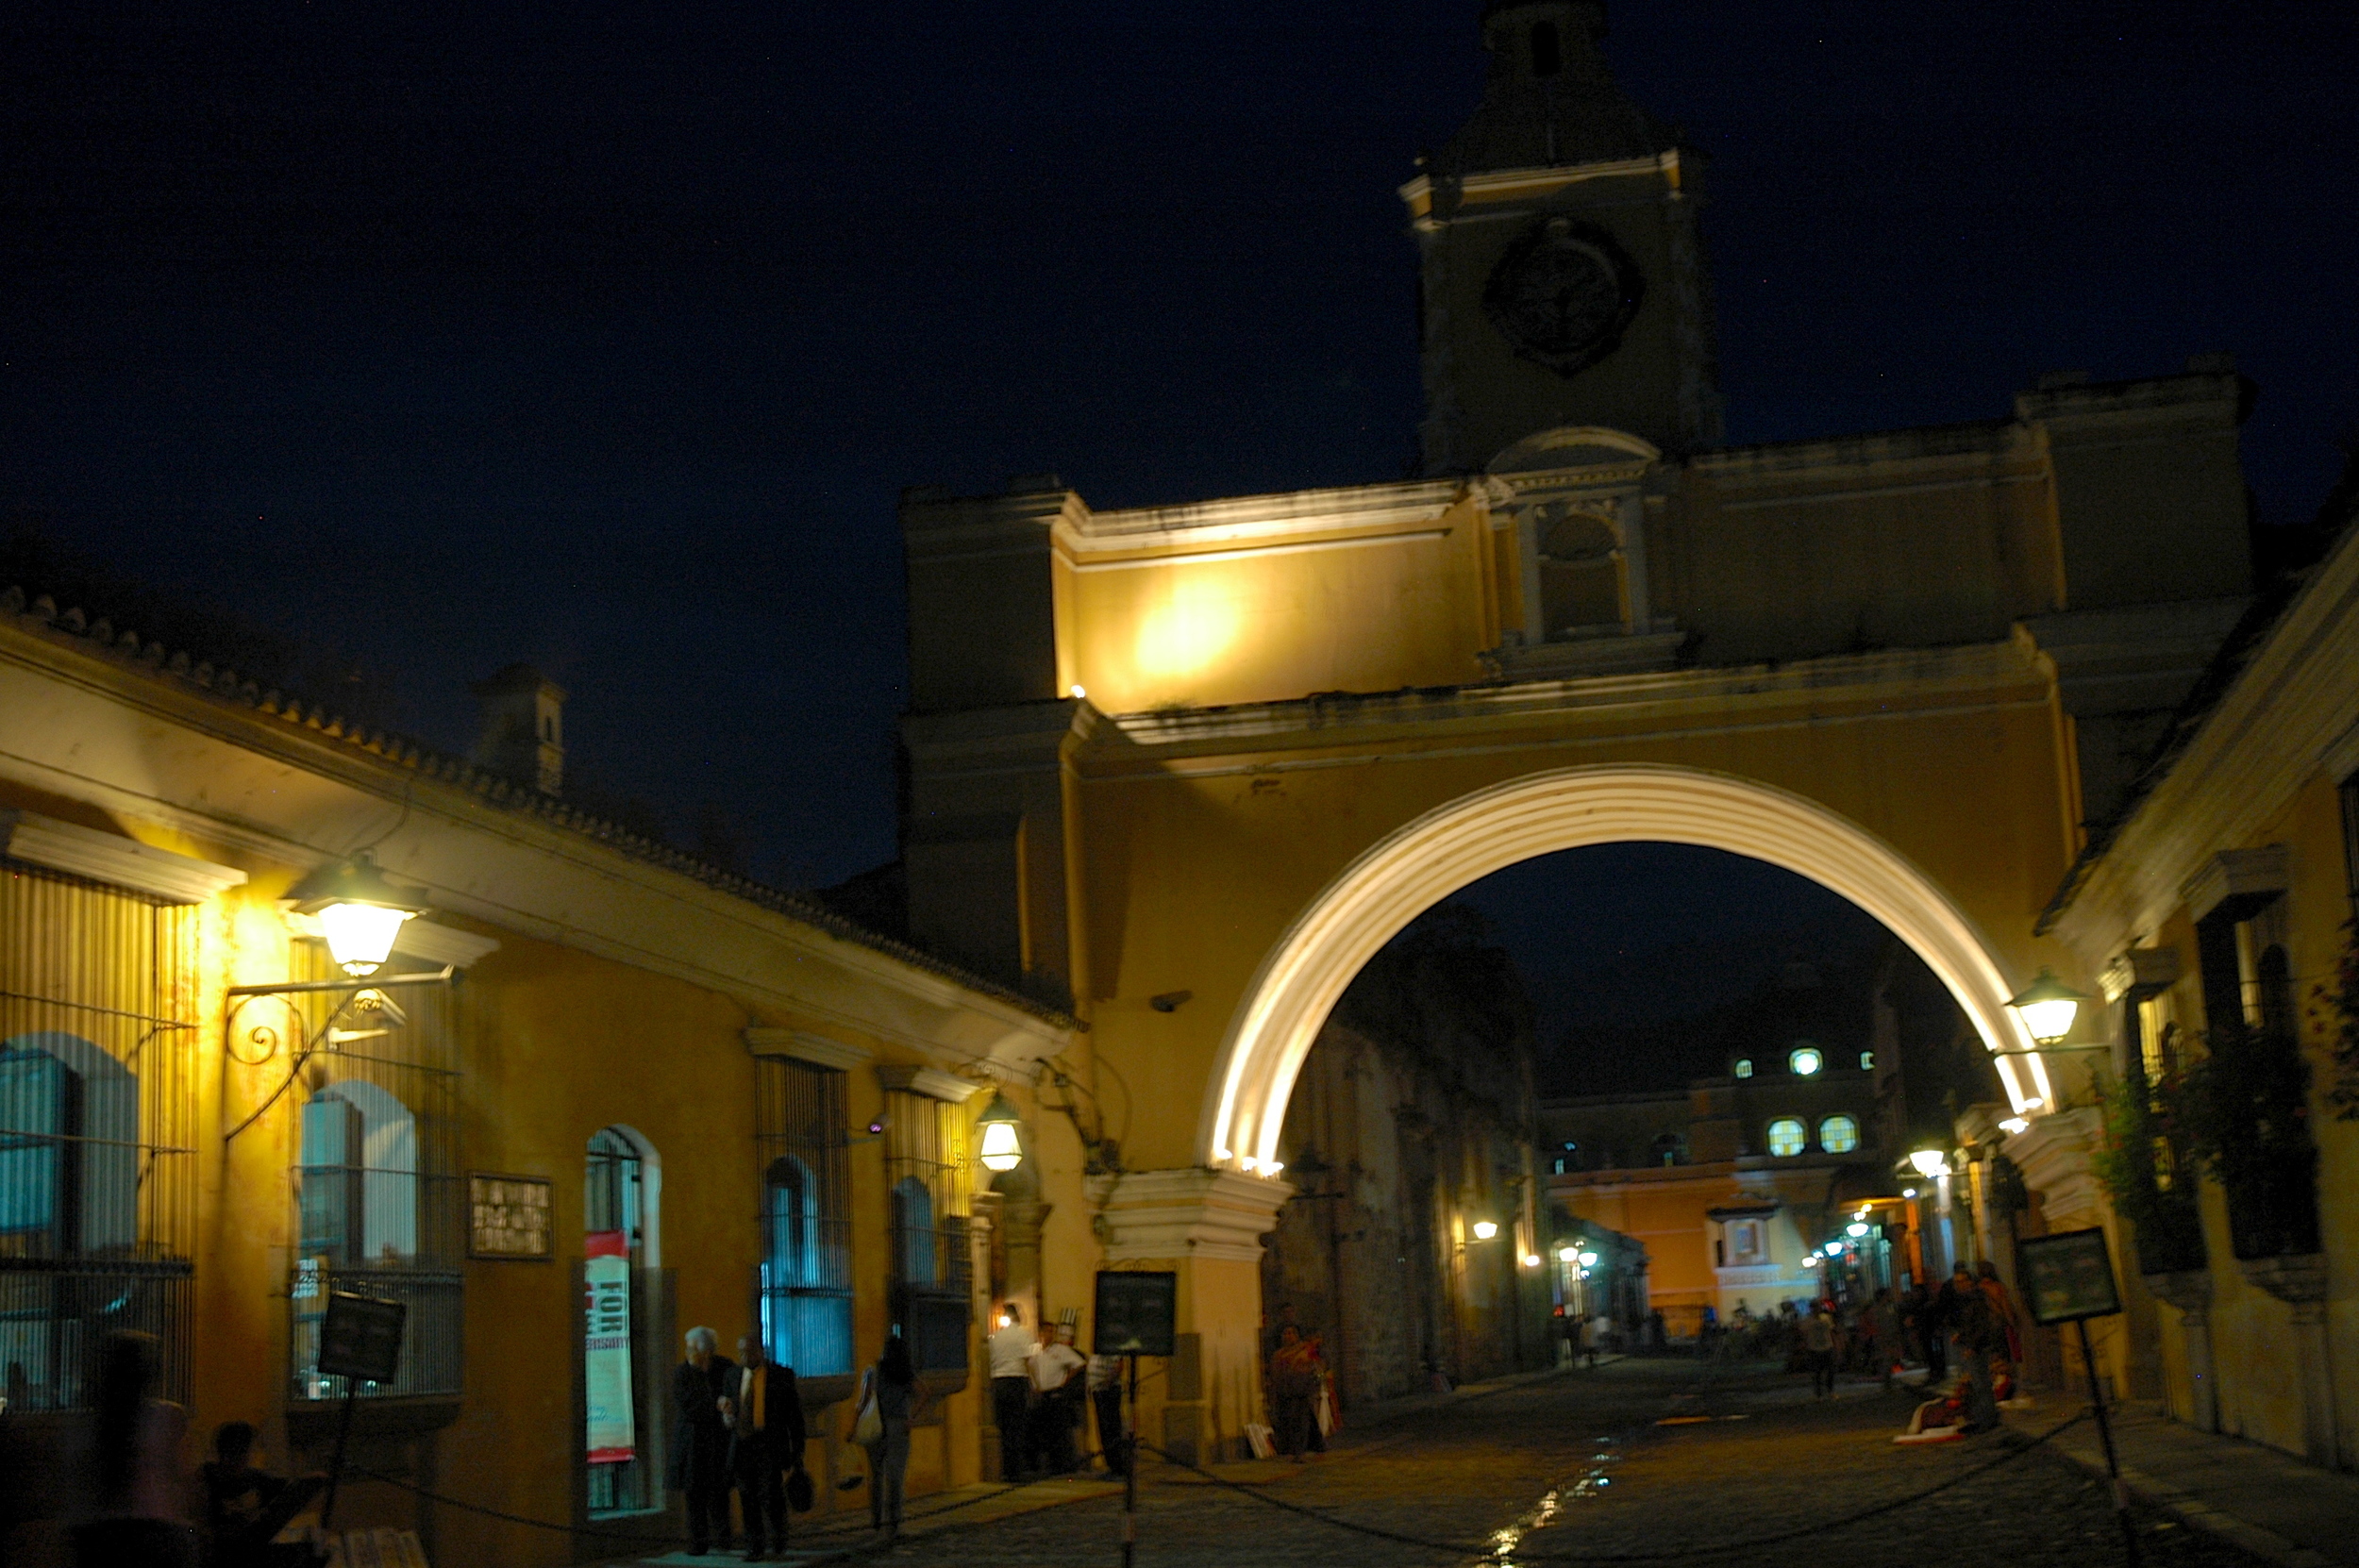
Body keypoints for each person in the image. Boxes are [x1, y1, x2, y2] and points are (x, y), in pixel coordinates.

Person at [73, 1331, 192, 1568]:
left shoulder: (86, 1425)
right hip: (156, 1531)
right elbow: (183, 1479)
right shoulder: (168, 1417)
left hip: (97, 1534)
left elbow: (78, 1487)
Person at [197, 1422, 325, 1568]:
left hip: (251, 1548)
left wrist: (310, 1482)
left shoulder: (253, 1478)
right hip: (223, 1554)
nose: (251, 1456)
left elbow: (286, 1489)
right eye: (248, 1451)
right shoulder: (205, 1479)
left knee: (309, 1551)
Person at [729, 1335, 807, 1562]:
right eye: (741, 1352)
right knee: (747, 1496)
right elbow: (729, 1410)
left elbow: (794, 1416)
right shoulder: (733, 1376)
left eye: (749, 1351)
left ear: (760, 1351)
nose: (745, 1356)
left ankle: (778, 1540)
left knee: (771, 1494)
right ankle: (754, 1545)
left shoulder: (780, 1376)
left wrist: (797, 1450)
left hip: (769, 1443)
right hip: (743, 1444)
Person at [669, 1326, 738, 1555]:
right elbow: (688, 1405)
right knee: (695, 1493)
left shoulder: (725, 1367)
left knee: (719, 1492)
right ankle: (698, 1541)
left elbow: (734, 1394)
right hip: (693, 1443)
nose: (689, 1351)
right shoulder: (683, 1373)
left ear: (707, 1350)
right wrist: (716, 1406)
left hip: (718, 1440)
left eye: (693, 1347)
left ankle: (723, 1538)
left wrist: (727, 1406)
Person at [856, 1335, 929, 1538]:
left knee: (876, 1475)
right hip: (898, 1425)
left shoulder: (873, 1372)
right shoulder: (905, 1374)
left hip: (875, 1426)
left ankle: (876, 1519)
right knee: (895, 1476)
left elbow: (863, 1401)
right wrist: (911, 1417)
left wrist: (854, 1426)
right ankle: (894, 1520)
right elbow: (924, 1393)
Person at [1942, 1263, 2002, 1433]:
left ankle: (1987, 1419)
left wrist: (1973, 1346)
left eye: (1962, 1282)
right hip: (1970, 1345)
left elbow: (1981, 1325)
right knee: (1976, 1384)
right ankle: (1981, 1418)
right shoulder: (1965, 1300)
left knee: (1981, 1384)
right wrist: (1960, 1335)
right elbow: (1968, 1324)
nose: (1959, 1285)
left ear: (1970, 1282)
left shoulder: (1976, 1299)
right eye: (1957, 1282)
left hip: (1977, 1347)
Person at [987, 1304, 1039, 1481]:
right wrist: (1034, 1384)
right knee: (1017, 1426)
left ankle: (1006, 1469)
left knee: (1004, 1426)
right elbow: (1031, 1360)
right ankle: (1016, 1470)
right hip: (1017, 1380)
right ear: (1018, 1316)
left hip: (998, 1382)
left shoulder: (995, 1337)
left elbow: (992, 1360)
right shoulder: (1025, 1335)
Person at [1029, 1324, 1086, 1475]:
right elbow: (1029, 1366)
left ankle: (1064, 1465)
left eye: (1052, 1332)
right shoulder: (1035, 1350)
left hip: (1056, 1394)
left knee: (1060, 1431)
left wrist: (1065, 1380)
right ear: (1040, 1333)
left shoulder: (1061, 1350)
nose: (1050, 1334)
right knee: (1044, 1431)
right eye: (1047, 1331)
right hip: (1041, 1394)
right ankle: (1049, 1465)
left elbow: (1079, 1364)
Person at [1266, 1325, 1326, 1459]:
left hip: (1302, 1391)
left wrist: (1317, 1384)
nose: (1287, 1336)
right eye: (1285, 1333)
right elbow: (1275, 1374)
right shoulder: (1278, 1355)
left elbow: (1318, 1368)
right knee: (1289, 1421)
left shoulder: (1305, 1351)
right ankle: (1313, 1445)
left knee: (1300, 1422)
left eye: (1290, 1333)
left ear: (1296, 1336)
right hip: (1285, 1392)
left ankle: (1299, 1451)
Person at [1085, 1350, 1129, 1477]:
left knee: (1111, 1427)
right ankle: (1111, 1464)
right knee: (1103, 1428)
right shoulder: (1095, 1351)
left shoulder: (1112, 1349)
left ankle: (1117, 1466)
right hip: (1098, 1390)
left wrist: (1106, 1382)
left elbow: (1119, 1366)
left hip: (1108, 1390)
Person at [1801, 1299, 1837, 1398]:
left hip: (1827, 1346)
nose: (1817, 1309)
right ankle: (1819, 1394)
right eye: (1815, 1307)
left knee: (1830, 1371)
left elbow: (1831, 1332)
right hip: (1814, 1348)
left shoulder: (1826, 1318)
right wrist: (1805, 1348)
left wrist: (1835, 1344)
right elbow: (1804, 1335)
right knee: (1817, 1373)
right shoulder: (1807, 1321)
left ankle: (1830, 1391)